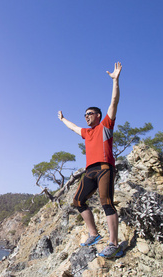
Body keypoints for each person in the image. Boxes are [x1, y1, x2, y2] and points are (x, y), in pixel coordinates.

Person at [58, 62, 122, 258]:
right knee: (78, 201)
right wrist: (62, 119)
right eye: (85, 115)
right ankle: (93, 234)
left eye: (89, 114)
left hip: (104, 168)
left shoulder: (105, 126)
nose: (86, 117)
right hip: (89, 171)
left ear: (98, 115)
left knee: (106, 202)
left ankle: (114, 244)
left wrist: (115, 81)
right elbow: (73, 128)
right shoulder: (87, 133)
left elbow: (114, 102)